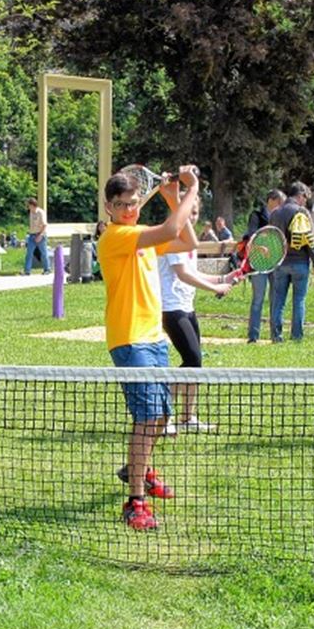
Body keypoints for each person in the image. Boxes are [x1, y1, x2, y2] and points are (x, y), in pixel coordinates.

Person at [99, 165, 198, 531]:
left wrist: (173, 198)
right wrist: (193, 189)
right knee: (146, 417)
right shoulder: (118, 236)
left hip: (154, 338)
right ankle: (135, 501)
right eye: (121, 204)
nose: (129, 209)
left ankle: (136, 469)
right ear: (109, 207)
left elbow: (187, 242)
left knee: (160, 416)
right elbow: (173, 229)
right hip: (130, 339)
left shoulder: (139, 235)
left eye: (134, 202)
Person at [158, 201, 232, 431]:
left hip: (187, 307)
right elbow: (182, 275)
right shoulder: (173, 239)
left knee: (195, 363)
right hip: (171, 308)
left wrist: (221, 279)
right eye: (188, 212)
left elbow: (193, 272)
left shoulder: (189, 242)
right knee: (192, 360)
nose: (192, 217)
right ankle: (163, 413)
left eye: (195, 212)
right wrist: (215, 288)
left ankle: (187, 418)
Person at [269, 181, 314, 342]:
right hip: (300, 262)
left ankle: (276, 336)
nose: (306, 201)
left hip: (280, 262)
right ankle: (296, 336)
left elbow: (271, 238)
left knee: (278, 300)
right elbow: (311, 242)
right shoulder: (302, 212)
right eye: (305, 197)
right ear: (300, 195)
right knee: (299, 300)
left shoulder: (275, 213)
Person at [244, 189, 284, 342]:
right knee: (258, 300)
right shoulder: (256, 215)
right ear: (271, 200)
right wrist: (260, 245)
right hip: (258, 264)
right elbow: (251, 236)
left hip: (275, 263)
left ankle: (276, 336)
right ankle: (253, 336)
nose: (280, 205)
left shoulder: (279, 216)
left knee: (275, 300)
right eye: (278, 202)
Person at [22, 197, 51, 275]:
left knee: (43, 253)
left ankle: (47, 269)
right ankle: (27, 271)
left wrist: (40, 235)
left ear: (32, 205)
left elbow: (44, 225)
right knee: (29, 253)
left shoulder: (41, 212)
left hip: (40, 234)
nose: (28, 207)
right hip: (32, 235)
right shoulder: (31, 213)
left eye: (28, 205)